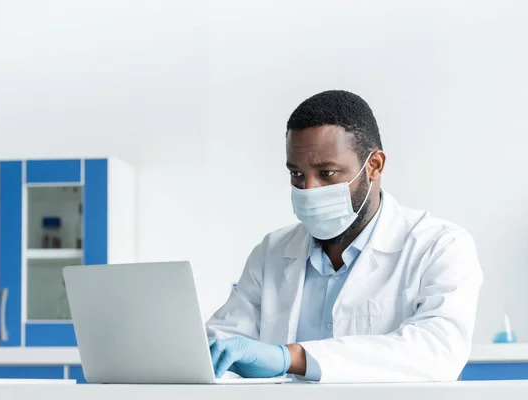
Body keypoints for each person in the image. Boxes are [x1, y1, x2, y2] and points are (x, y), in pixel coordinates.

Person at [206, 90, 483, 383]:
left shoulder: (439, 246)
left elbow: (436, 352)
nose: (309, 189)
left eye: (326, 173)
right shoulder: (272, 251)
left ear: (374, 165)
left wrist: (291, 358)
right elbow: (220, 346)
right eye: (297, 175)